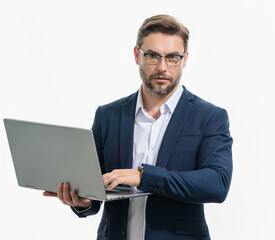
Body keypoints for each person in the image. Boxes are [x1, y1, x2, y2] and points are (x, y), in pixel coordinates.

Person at [43, 14, 233, 240]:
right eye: (152, 56)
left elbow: (217, 183)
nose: (163, 67)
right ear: (137, 55)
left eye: (173, 57)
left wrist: (143, 177)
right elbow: (95, 188)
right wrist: (83, 201)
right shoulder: (108, 116)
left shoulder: (210, 117)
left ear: (185, 59)